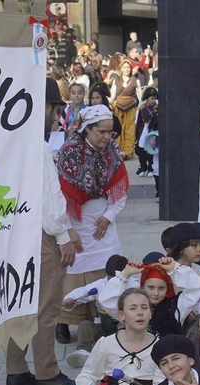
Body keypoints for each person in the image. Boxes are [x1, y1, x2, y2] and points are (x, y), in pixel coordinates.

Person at [6, 79, 78, 385]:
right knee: (46, 305)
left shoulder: (5, 138)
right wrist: (62, 234)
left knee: (17, 303)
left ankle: (16, 372)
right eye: (55, 108)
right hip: (37, 232)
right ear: (46, 107)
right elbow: (48, 198)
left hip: (9, 232)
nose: (56, 117)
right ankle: (47, 371)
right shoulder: (35, 144)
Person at [58, 105, 130, 350]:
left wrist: (109, 216)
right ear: (86, 129)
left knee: (107, 266)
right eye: (101, 131)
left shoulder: (112, 152)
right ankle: (66, 320)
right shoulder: (69, 152)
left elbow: (120, 191)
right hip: (75, 218)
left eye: (110, 132)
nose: (106, 137)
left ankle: (104, 317)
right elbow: (58, 196)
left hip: (102, 221)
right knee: (74, 268)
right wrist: (67, 228)